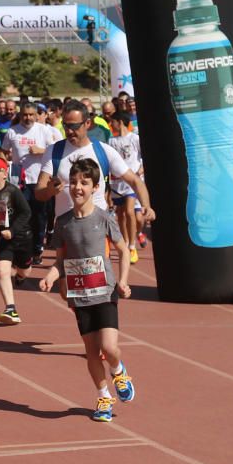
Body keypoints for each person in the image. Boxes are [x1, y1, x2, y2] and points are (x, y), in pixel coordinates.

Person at [39, 158, 135, 422]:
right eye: (74, 182)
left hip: (104, 292)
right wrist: (50, 276)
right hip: (79, 296)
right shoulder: (63, 222)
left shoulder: (104, 218)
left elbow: (123, 250)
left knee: (109, 347)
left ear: (95, 187)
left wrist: (123, 280)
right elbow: (60, 261)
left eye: (85, 183)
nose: (78, 188)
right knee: (91, 352)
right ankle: (103, 396)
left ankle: (118, 371)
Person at [35, 100, 154, 223]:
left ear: (87, 123)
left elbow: (135, 180)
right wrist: (49, 190)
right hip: (66, 232)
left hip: (98, 231)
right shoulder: (53, 151)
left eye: (74, 126)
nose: (69, 131)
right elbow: (39, 193)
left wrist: (146, 206)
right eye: (66, 126)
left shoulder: (103, 150)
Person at [1, 100, 60, 265]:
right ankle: (21, 249)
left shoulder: (44, 131)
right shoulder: (13, 132)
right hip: (19, 182)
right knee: (20, 217)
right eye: (24, 115)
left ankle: (37, 249)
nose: (27, 118)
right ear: (20, 115)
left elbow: (54, 151)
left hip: (40, 180)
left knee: (39, 217)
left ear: (36, 115)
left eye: (31, 115)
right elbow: (3, 152)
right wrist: (3, 167)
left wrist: (40, 150)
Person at [0, 156, 33, 324]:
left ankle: (20, 275)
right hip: (1, 241)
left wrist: (12, 230)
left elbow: (26, 213)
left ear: (4, 173)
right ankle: (11, 309)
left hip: (21, 238)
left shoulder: (13, 191)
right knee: (2, 271)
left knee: (24, 270)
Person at [108, 112, 144, 264]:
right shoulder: (111, 141)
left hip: (132, 182)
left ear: (120, 122)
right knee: (121, 215)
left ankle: (132, 246)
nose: (111, 125)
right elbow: (110, 161)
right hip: (117, 184)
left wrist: (140, 169)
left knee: (131, 212)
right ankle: (126, 242)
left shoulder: (134, 138)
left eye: (113, 122)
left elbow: (143, 156)